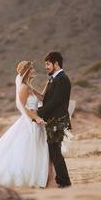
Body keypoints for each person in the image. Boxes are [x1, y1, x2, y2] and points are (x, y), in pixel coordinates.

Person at [35, 51, 72, 188]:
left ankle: (64, 182)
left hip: (58, 121)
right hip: (53, 121)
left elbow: (55, 102)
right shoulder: (54, 79)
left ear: (56, 63)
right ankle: (61, 181)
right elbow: (47, 99)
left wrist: (37, 113)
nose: (46, 67)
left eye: (48, 64)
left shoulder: (62, 79)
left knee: (55, 152)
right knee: (54, 151)